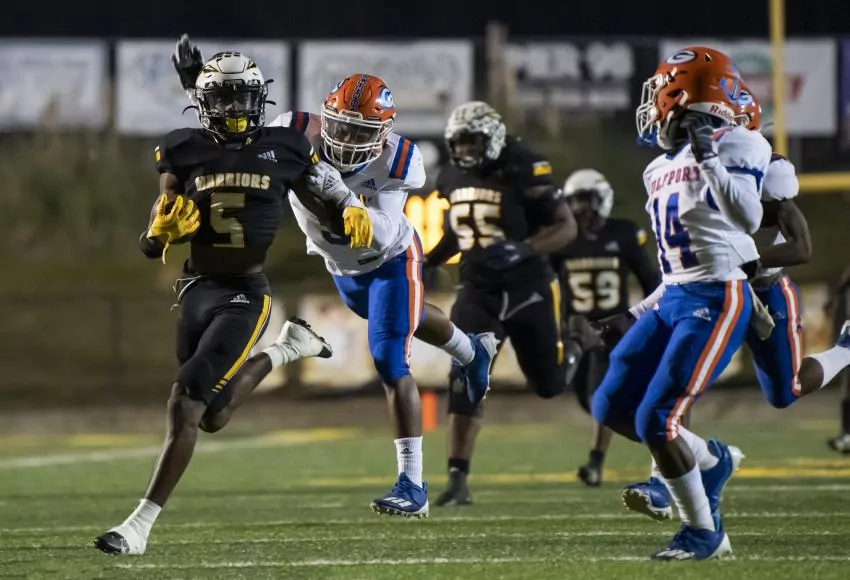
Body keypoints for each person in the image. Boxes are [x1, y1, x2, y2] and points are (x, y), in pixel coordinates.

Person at [172, 36, 498, 518]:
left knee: (389, 357)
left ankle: (413, 485)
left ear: (383, 133)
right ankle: (472, 351)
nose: (345, 139)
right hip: (341, 267)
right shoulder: (293, 130)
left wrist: (350, 204)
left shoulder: (400, 160)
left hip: (390, 259)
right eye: (340, 126)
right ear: (326, 117)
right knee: (403, 320)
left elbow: (384, 227)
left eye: (359, 131)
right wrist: (194, 88)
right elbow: (231, 128)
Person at [94, 51, 337, 555]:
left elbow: (328, 198)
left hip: (245, 295)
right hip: (195, 291)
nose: (233, 109)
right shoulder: (183, 149)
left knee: (185, 400)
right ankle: (289, 348)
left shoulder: (286, 147)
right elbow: (153, 238)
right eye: (223, 99)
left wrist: (354, 215)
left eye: (242, 98)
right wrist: (156, 234)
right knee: (212, 416)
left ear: (260, 99)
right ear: (203, 104)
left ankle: (137, 528)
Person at [591, 46, 773, 561]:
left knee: (658, 417)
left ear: (683, 93)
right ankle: (711, 461)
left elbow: (749, 217)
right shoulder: (657, 169)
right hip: (674, 296)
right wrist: (636, 312)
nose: (652, 103)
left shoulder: (740, 143)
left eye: (660, 91)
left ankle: (703, 533)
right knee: (611, 405)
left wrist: (709, 155)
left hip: (717, 295)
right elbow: (675, 266)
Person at [423, 101, 578, 507]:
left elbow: (566, 226)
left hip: (529, 288)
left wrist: (525, 248)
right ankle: (457, 479)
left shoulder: (523, 165)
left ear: (491, 138)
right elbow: (459, 231)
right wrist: (430, 260)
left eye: (471, 141)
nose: (464, 150)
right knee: (464, 378)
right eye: (458, 142)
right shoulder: (451, 175)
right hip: (478, 291)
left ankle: (578, 344)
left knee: (549, 386)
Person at [552, 168, 661, 487]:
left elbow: (650, 280)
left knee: (602, 397)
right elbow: (548, 284)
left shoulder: (623, 233)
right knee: (587, 399)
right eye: (575, 201)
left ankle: (599, 461)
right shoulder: (563, 239)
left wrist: (650, 319)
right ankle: (660, 438)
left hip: (614, 330)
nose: (581, 208)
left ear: (602, 199)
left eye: (586, 199)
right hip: (578, 331)